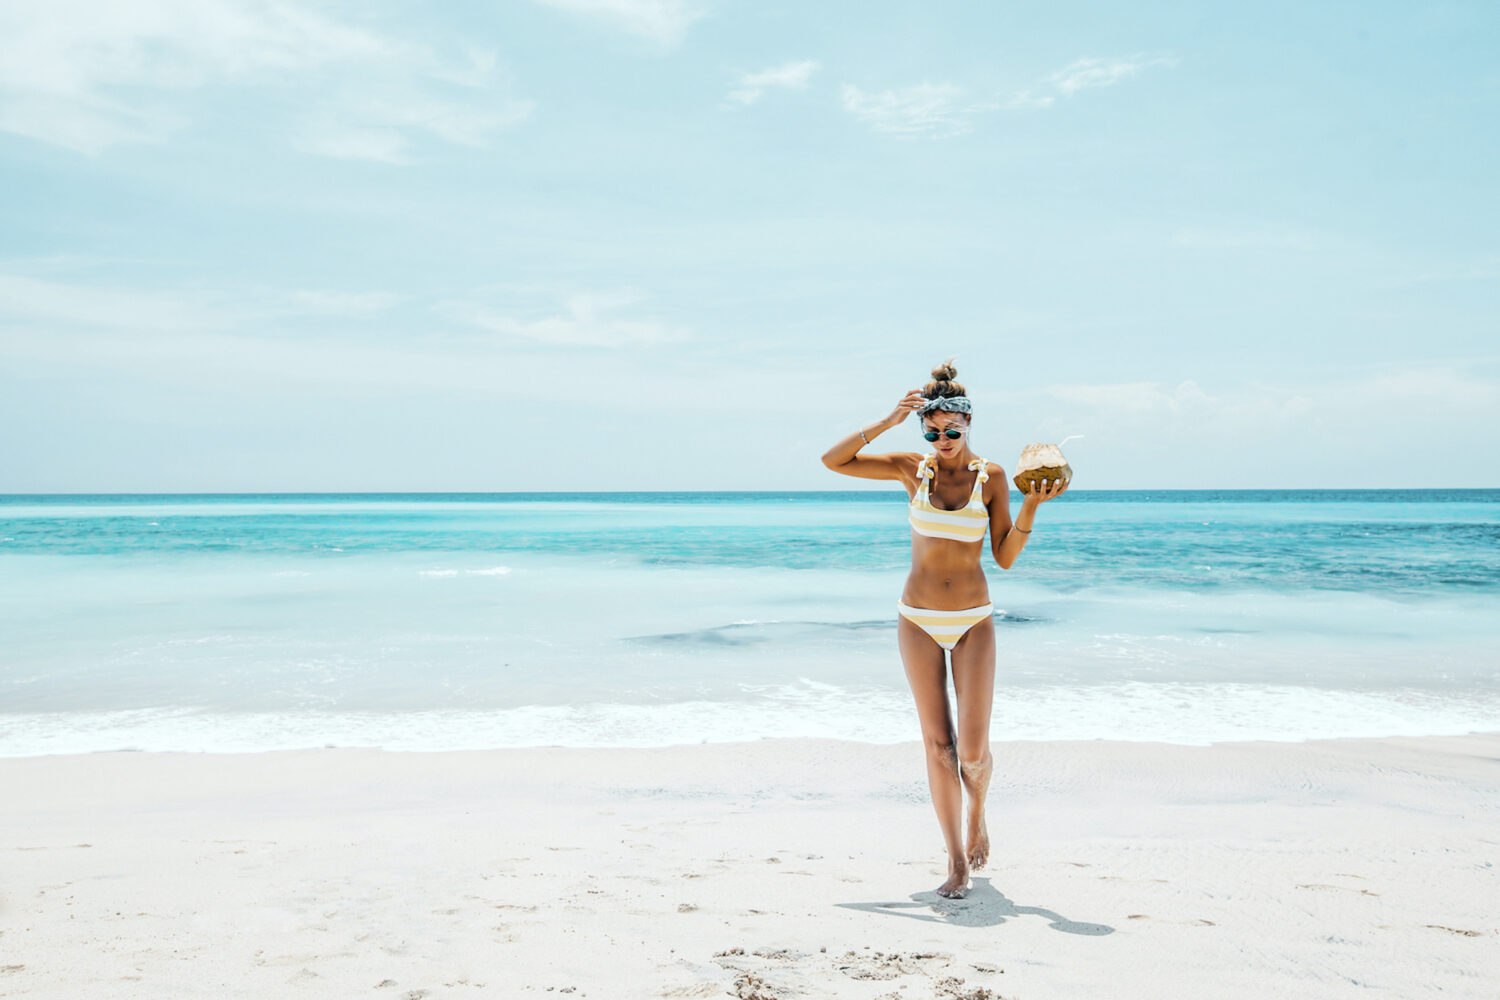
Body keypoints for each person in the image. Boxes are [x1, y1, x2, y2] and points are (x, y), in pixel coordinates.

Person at [820, 359, 1068, 898]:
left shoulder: (993, 476)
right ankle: (956, 859)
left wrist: (1030, 507)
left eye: (953, 430)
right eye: (933, 432)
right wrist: (888, 420)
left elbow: (1004, 557)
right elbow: (833, 461)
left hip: (974, 620)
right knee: (938, 746)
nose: (944, 440)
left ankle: (979, 809)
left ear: (969, 424)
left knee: (973, 754)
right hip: (917, 620)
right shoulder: (913, 468)